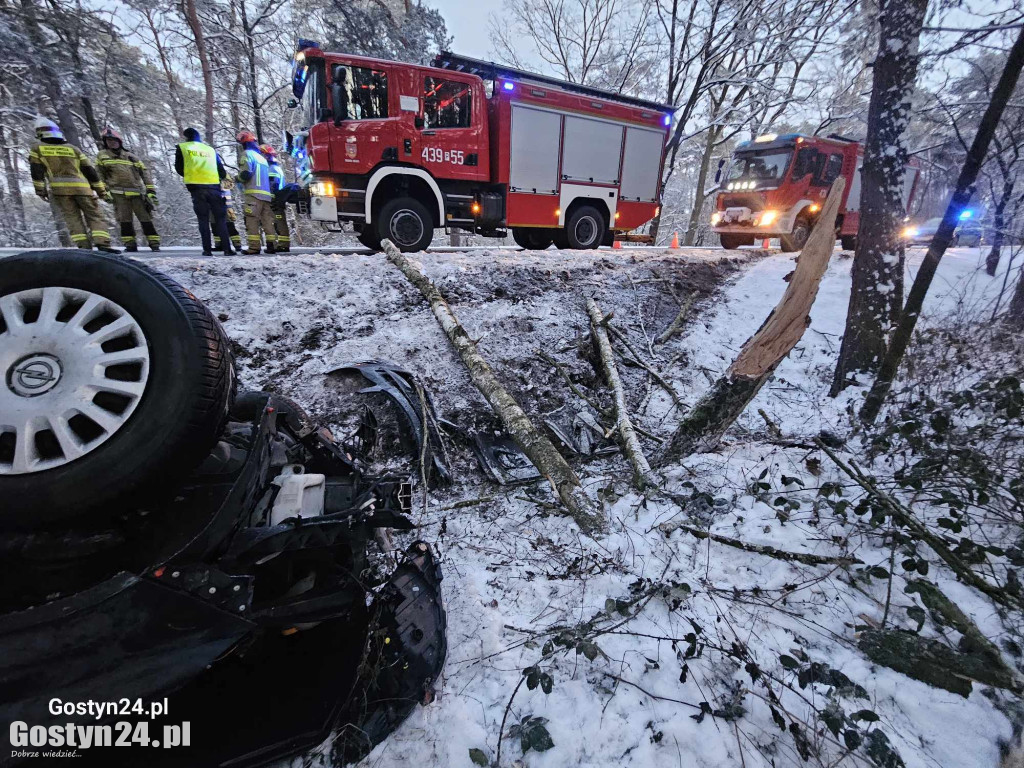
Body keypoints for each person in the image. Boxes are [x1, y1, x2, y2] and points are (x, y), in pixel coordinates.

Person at [28, 117, 119, 253]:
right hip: (83, 190)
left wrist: (40, 190)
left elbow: (37, 171)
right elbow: (90, 171)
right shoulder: (73, 149)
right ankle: (103, 244)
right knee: (95, 216)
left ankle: (84, 248)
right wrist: (101, 191)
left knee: (72, 218)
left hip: (60, 191)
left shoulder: (37, 149)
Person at [96, 127, 160, 252]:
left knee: (145, 218)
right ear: (105, 142)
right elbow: (99, 175)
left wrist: (151, 190)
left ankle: (154, 243)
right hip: (118, 193)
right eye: (108, 141)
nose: (111, 143)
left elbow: (144, 173)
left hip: (137, 193)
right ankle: (130, 244)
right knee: (124, 220)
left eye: (113, 140)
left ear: (119, 141)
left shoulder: (131, 157)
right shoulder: (102, 156)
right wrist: (104, 191)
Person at [174, 127, 233, 256]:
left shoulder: (183, 147)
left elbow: (178, 167)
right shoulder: (210, 150)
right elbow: (221, 170)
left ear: (187, 137)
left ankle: (207, 250)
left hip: (196, 188)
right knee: (221, 219)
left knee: (203, 219)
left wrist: (189, 175)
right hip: (214, 187)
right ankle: (227, 249)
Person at [236, 131, 276, 255]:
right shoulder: (262, 159)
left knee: (252, 220)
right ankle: (272, 245)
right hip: (266, 196)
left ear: (244, 143)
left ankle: (254, 247)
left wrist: (237, 179)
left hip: (253, 195)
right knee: (267, 221)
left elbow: (246, 173)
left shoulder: (247, 154)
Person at [261, 143, 291, 253]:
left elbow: (272, 185)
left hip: (275, 199)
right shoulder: (276, 168)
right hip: (278, 198)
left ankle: (283, 244)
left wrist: (271, 198)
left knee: (279, 222)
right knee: (279, 221)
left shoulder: (272, 169)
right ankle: (283, 244)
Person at [213, 174, 243, 252]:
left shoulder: (223, 174)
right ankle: (219, 245)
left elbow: (229, 184)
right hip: (212, 205)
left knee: (229, 226)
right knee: (214, 225)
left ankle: (237, 244)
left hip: (225, 206)